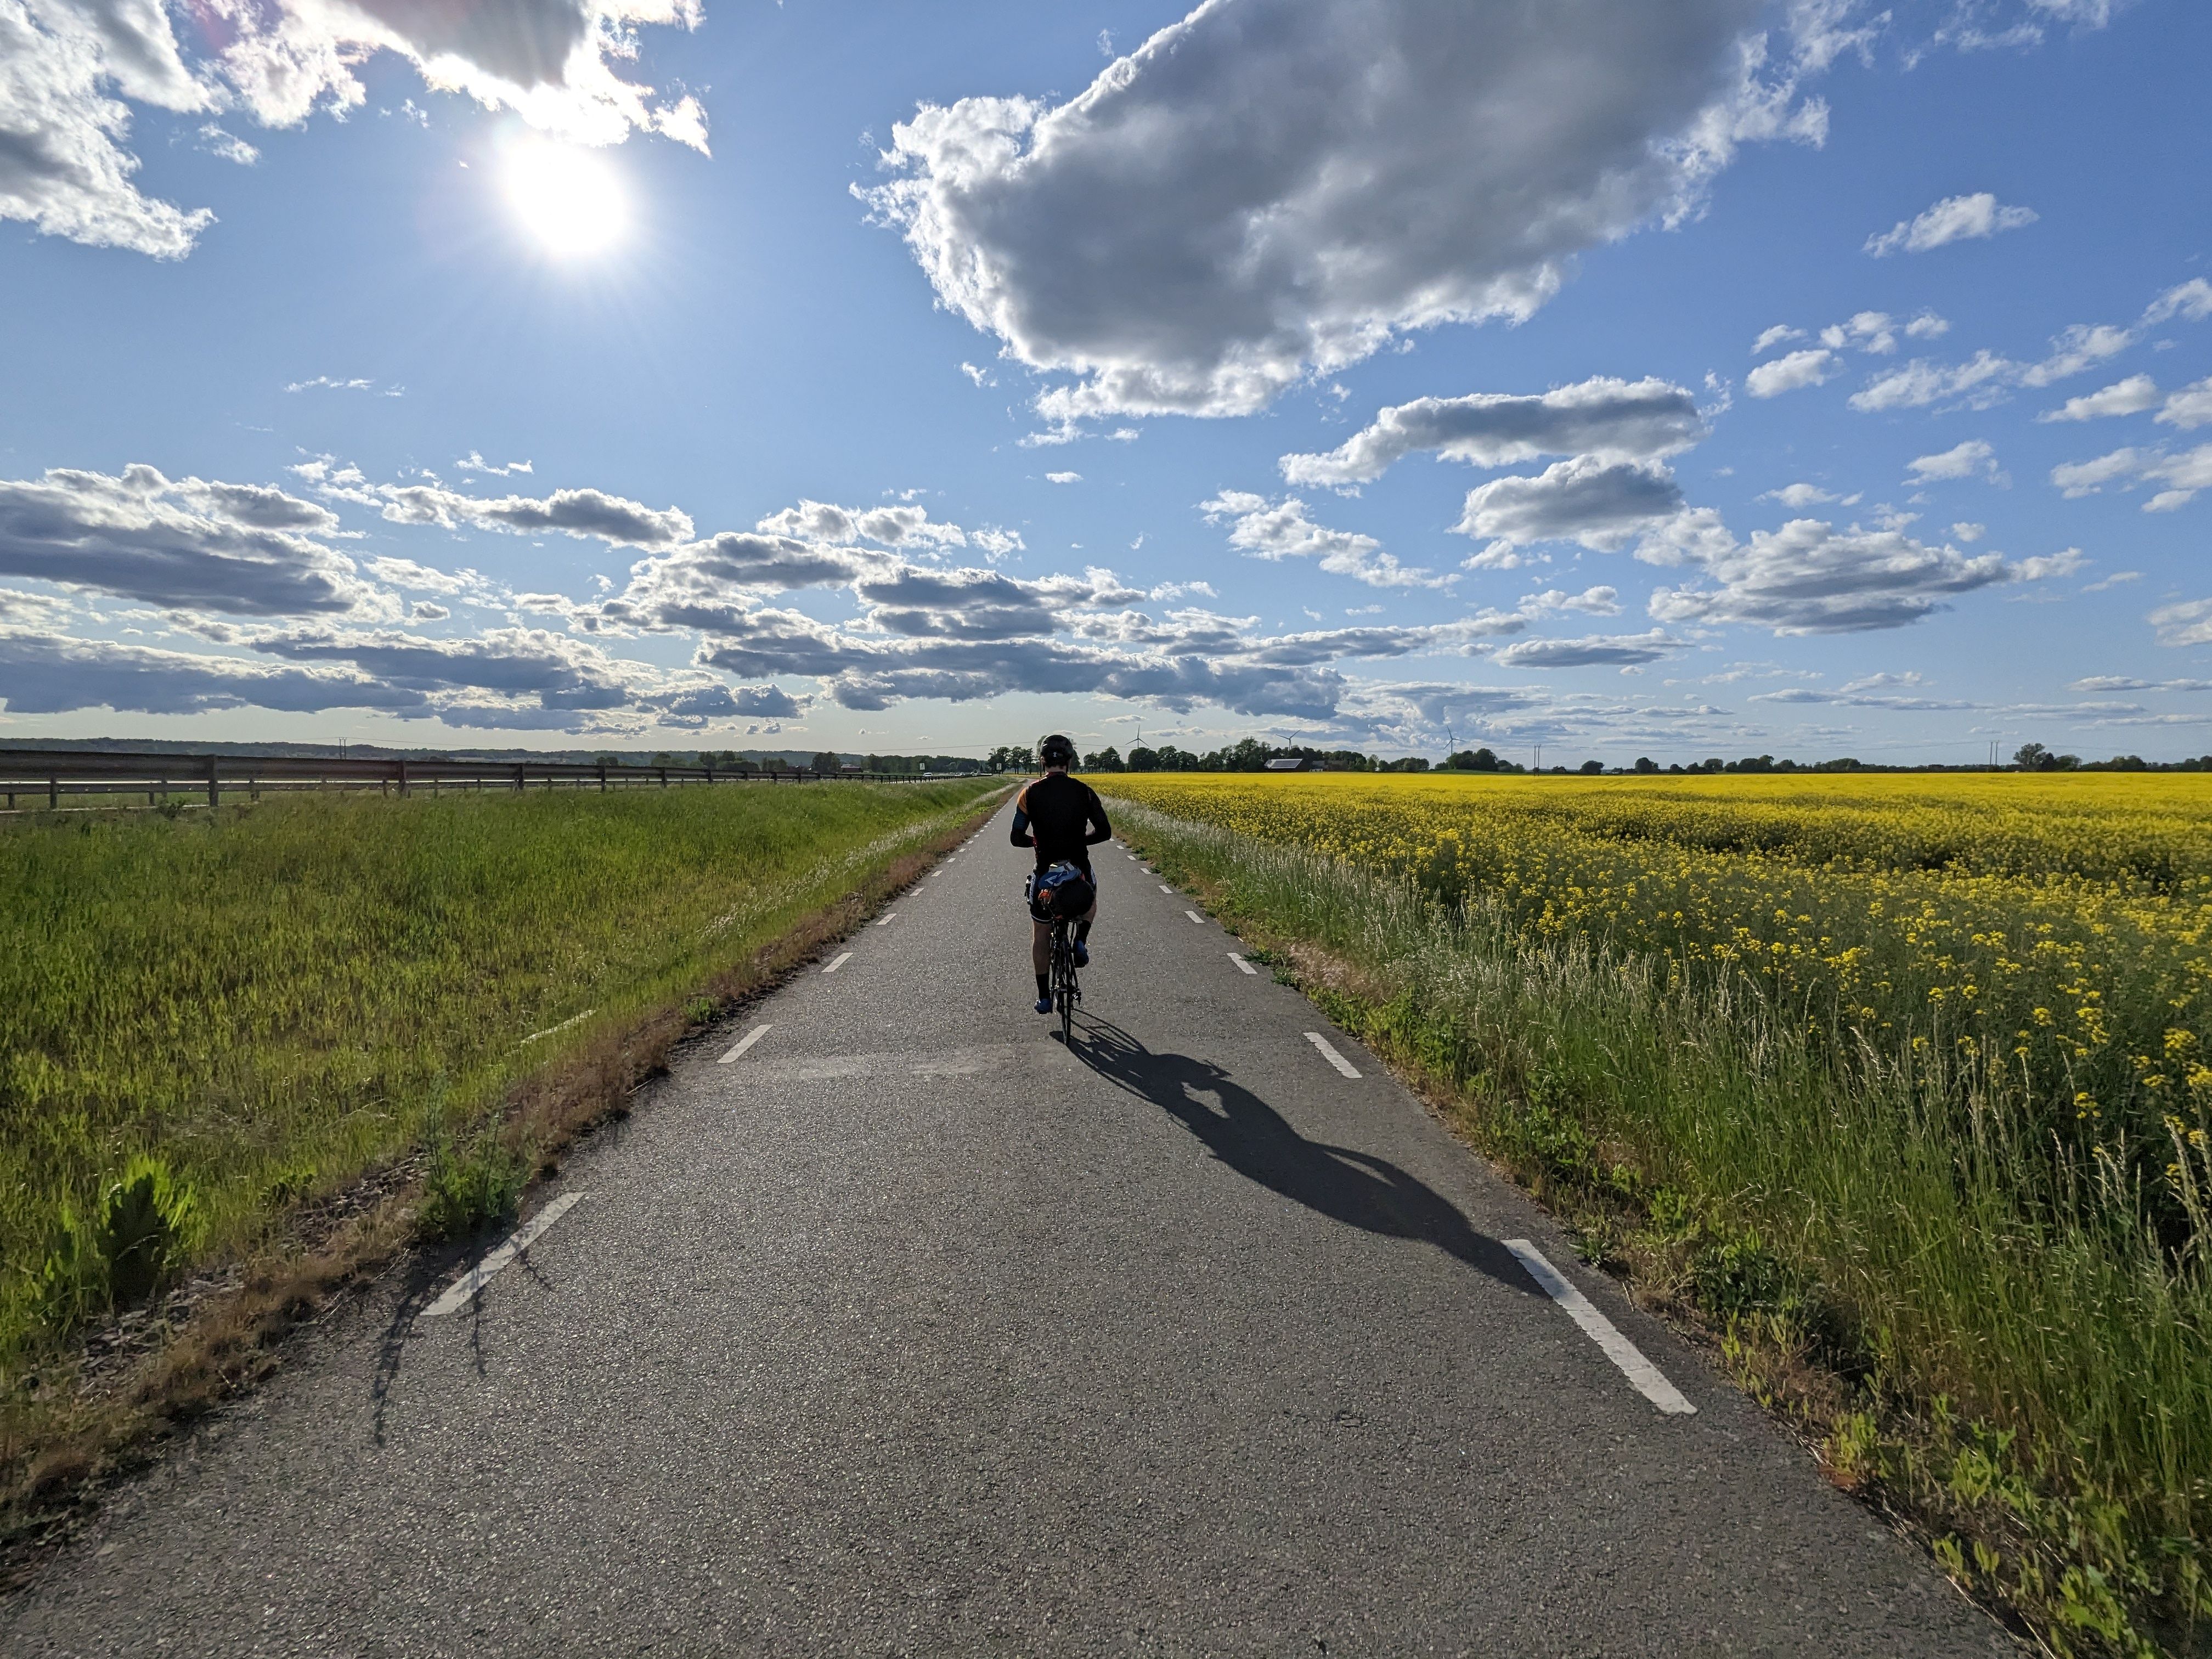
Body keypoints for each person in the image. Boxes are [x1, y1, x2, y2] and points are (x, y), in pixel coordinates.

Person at [1011, 734, 1111, 1014]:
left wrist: (1038, 842)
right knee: (1090, 896)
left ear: (1043, 762)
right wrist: (1080, 842)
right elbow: (1105, 831)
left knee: (1041, 936)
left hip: (1045, 875)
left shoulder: (1029, 794)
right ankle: (1080, 939)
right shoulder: (1085, 791)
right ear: (1070, 762)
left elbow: (1016, 837)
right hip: (1078, 870)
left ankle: (1044, 997)